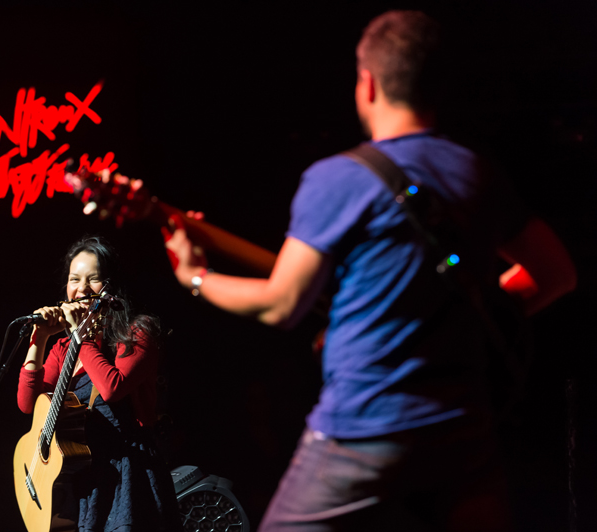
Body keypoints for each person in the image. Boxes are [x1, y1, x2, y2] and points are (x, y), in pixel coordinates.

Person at [163, 10, 577, 532]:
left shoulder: (337, 179)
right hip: (464, 435)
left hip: (364, 429)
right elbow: (555, 273)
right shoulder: (477, 172)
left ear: (368, 85)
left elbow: (280, 303)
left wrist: (194, 276)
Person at [17, 235, 180, 532]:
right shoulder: (64, 347)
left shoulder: (138, 332)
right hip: (83, 480)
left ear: (111, 288)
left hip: (128, 475)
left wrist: (82, 336)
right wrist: (39, 340)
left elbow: (112, 388)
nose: (80, 289)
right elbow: (29, 404)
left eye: (92, 280)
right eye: (74, 279)